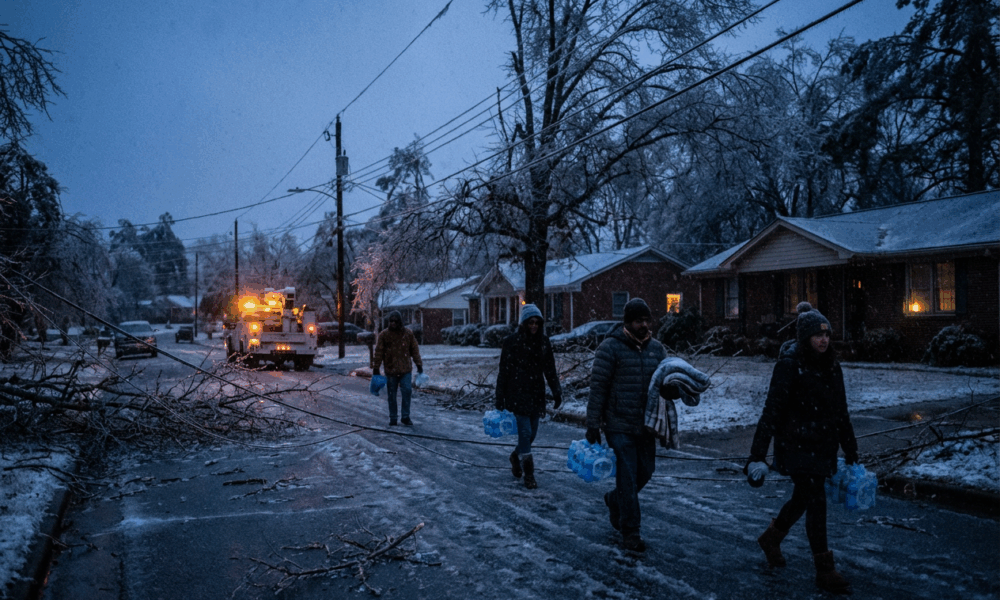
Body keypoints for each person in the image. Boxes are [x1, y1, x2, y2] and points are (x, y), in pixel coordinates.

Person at [745, 306, 858, 595]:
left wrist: (850, 449)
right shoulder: (789, 365)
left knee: (803, 498)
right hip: (795, 445)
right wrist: (756, 455)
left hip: (822, 445)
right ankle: (824, 568)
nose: (823, 340)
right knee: (815, 499)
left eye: (827, 334)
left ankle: (771, 538)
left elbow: (840, 411)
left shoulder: (832, 366)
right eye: (817, 335)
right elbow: (771, 411)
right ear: (805, 337)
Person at [586, 298, 667, 552]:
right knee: (629, 476)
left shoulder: (657, 350)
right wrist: (592, 424)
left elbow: (666, 383)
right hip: (618, 423)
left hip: (646, 425)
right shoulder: (610, 348)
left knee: (646, 472)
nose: (644, 325)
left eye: (646, 320)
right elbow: (598, 387)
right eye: (638, 321)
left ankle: (615, 500)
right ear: (628, 322)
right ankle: (630, 531)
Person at [495, 304, 563, 490]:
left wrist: (556, 391)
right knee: (524, 432)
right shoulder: (512, 342)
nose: (534, 326)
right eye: (530, 322)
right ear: (524, 323)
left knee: (531, 434)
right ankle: (529, 474)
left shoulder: (543, 342)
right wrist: (499, 397)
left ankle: (516, 456)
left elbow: (550, 369)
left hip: (535, 392)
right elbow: (504, 371)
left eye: (537, 323)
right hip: (516, 393)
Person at [372, 311, 423, 427]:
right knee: (392, 395)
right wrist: (376, 368)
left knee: (407, 392)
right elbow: (378, 352)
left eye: (395, 321)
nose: (393, 323)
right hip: (391, 370)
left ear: (400, 322)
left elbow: (414, 350)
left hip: (405, 369)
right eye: (391, 321)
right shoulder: (384, 335)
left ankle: (405, 416)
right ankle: (393, 417)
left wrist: (419, 364)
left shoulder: (408, 334)